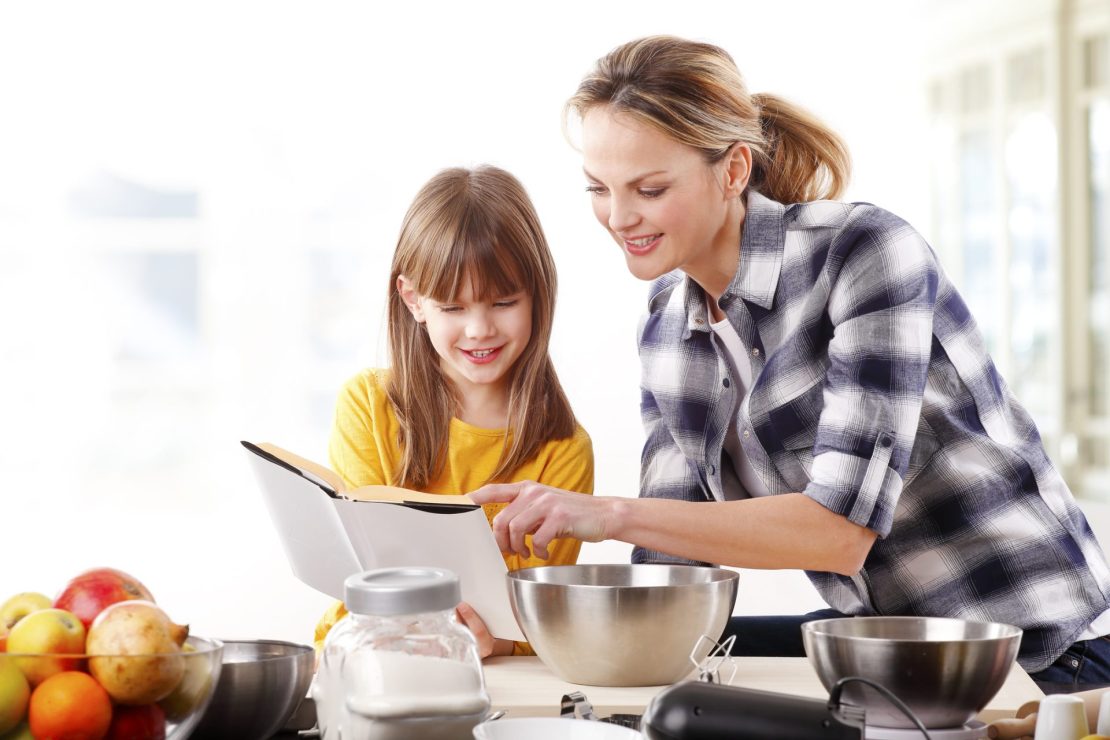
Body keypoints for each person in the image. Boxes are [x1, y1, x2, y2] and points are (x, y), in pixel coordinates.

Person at [470, 35, 1110, 686]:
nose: (619, 216)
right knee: (687, 685)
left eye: (650, 188)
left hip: (1039, 655)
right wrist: (510, 625)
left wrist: (605, 513)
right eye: (598, 189)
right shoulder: (669, 326)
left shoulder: (863, 253)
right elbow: (669, 567)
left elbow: (839, 531)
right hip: (888, 653)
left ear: (733, 170)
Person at [314, 165, 594, 658]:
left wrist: (499, 643)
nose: (480, 329)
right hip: (364, 658)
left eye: (504, 301)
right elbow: (365, 572)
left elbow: (542, 624)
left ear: (538, 295)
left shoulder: (563, 451)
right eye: (453, 308)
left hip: (488, 679)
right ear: (414, 300)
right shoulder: (369, 406)